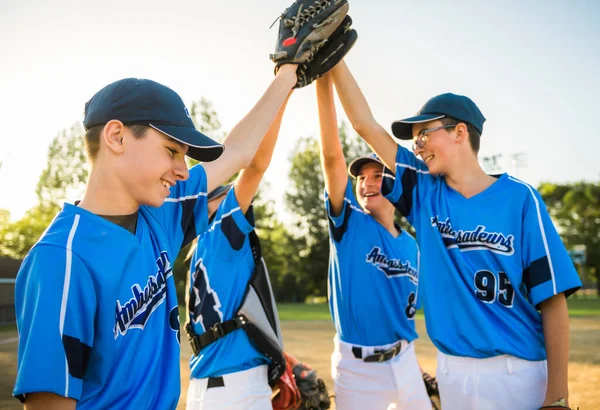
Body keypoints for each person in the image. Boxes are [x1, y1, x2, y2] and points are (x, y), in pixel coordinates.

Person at [13, 65, 299, 410]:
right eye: (172, 151)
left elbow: (238, 152)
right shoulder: (62, 258)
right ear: (116, 137)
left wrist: (289, 71)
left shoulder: (160, 213)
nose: (182, 170)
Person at [329, 59, 582, 409]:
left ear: (460, 132)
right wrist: (336, 56)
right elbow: (364, 125)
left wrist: (557, 397)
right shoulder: (424, 192)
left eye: (424, 134)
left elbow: (552, 299)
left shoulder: (520, 199)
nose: (416, 146)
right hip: (453, 374)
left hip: (518, 372)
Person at [315, 72, 431, 409]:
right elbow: (331, 159)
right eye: (361, 177)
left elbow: (407, 313)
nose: (366, 182)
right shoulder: (349, 223)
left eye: (377, 175)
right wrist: (322, 79)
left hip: (406, 363)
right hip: (357, 370)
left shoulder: (413, 245)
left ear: (395, 183)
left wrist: (412, 367)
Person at [184, 93, 290, 410]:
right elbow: (256, 165)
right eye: (226, 192)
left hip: (207, 386)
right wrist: (285, 90)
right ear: (209, 203)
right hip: (237, 391)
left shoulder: (197, 248)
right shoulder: (220, 236)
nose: (236, 193)